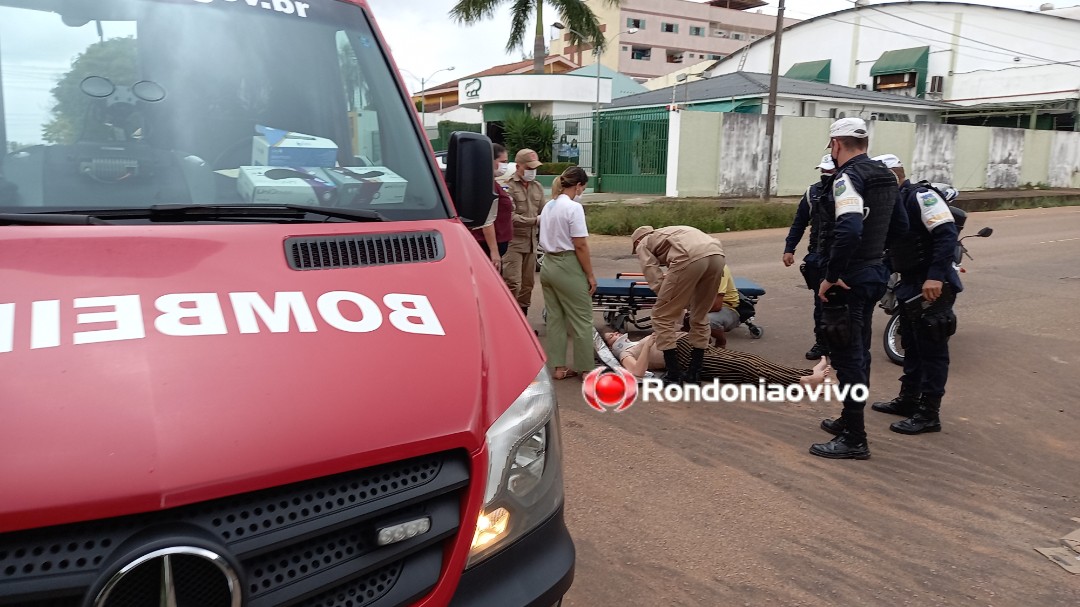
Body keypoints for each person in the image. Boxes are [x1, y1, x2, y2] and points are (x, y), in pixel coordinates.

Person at [810, 117, 909, 460]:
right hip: (873, 275)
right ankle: (848, 419)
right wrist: (879, 262)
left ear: (836, 145)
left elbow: (849, 229)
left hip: (847, 280)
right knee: (859, 351)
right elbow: (900, 228)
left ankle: (855, 438)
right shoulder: (885, 176)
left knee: (848, 356)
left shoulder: (846, 178)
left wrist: (832, 274)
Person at [871, 153, 962, 435]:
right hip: (910, 283)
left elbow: (947, 234)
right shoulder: (893, 203)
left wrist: (935, 275)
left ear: (893, 177)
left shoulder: (921, 196)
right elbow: (893, 247)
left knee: (933, 349)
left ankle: (929, 414)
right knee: (911, 343)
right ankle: (908, 399)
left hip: (932, 285)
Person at [631, 225, 726, 385]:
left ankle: (674, 375)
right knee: (700, 315)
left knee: (662, 316)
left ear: (637, 240)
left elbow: (651, 271)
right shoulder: (673, 231)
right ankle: (694, 373)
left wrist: (669, 300)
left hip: (688, 257)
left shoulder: (643, 242)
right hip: (717, 255)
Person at [599, 329, 832, 387]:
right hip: (683, 356)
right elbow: (636, 373)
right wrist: (649, 342)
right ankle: (801, 382)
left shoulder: (634, 342)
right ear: (612, 347)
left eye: (615, 332)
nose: (617, 334)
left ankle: (805, 375)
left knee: (749, 358)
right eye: (612, 337)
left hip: (692, 346)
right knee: (745, 367)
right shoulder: (626, 353)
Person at [538, 166, 596, 380]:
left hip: (548, 264)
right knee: (582, 318)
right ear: (579, 185)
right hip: (567, 263)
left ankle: (558, 367)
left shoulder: (549, 206)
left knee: (556, 318)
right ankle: (586, 368)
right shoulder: (573, 208)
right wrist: (589, 274)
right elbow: (580, 244)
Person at [783, 154, 836, 360]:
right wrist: (790, 248)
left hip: (845, 258)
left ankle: (842, 343)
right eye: (822, 171)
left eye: (829, 171)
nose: (825, 175)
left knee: (844, 304)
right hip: (818, 256)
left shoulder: (851, 192)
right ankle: (822, 343)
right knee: (820, 303)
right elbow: (799, 223)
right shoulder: (812, 193)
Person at [502, 148, 547, 317]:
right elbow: (509, 216)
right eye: (528, 168)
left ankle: (522, 322)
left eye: (534, 168)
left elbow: (545, 211)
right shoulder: (508, 187)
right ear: (518, 166)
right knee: (513, 283)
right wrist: (534, 221)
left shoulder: (537, 187)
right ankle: (507, 318)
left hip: (531, 242)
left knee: (528, 285)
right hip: (513, 242)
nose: (532, 172)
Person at [472, 143, 513, 270]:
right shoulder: (486, 184)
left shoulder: (492, 182)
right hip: (487, 246)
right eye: (503, 161)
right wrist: (494, 251)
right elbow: (487, 220)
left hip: (494, 245)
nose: (505, 166)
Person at [706, 263, 741, 348]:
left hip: (727, 308)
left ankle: (721, 342)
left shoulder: (719, 269)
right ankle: (705, 343)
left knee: (704, 320)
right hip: (703, 305)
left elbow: (717, 305)